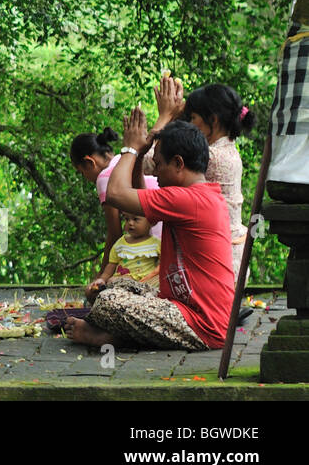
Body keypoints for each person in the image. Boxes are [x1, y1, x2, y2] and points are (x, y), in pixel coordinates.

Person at [65, 113, 235, 351]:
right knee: (111, 287)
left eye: (158, 166)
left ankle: (114, 339)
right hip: (180, 306)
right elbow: (138, 193)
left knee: (108, 302)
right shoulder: (195, 195)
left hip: (204, 325)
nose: (155, 173)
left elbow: (116, 193)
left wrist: (130, 149)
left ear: (178, 163)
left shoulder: (188, 199)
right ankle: (121, 334)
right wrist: (141, 154)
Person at [181, 84, 255, 274]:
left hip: (219, 263)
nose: (189, 125)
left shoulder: (211, 156)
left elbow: (154, 163)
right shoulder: (228, 150)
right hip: (233, 258)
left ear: (212, 120)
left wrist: (166, 118)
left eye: (192, 118)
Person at [85, 212, 160, 301]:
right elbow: (111, 266)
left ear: (152, 222)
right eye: (127, 219)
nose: (130, 223)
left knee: (113, 282)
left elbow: (164, 266)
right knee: (89, 290)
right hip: (118, 283)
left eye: (135, 219)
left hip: (144, 284)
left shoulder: (156, 243)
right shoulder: (120, 243)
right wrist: (102, 279)